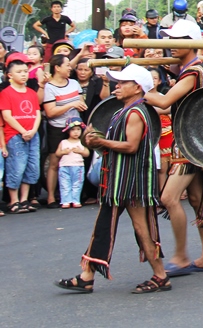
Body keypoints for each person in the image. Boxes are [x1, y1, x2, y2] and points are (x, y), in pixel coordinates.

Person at [55, 64, 167, 294]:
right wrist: (92, 139)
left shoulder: (136, 113)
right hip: (117, 180)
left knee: (142, 227)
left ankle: (161, 275)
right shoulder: (121, 112)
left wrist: (101, 142)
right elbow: (111, 143)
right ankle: (87, 275)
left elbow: (130, 146)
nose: (117, 86)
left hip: (131, 182)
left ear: (137, 88)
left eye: (123, 82)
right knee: (104, 225)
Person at [142, 19, 203, 277]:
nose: (172, 44)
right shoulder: (192, 68)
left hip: (189, 145)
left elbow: (164, 101)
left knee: (168, 198)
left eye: (178, 40)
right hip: (193, 143)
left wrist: (138, 88)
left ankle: (181, 256)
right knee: (197, 200)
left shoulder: (193, 71)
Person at [42, 54, 87, 207]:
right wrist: (71, 105)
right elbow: (50, 112)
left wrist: (79, 104)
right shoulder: (49, 87)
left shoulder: (74, 83)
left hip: (75, 126)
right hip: (57, 127)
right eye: (67, 65)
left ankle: (75, 195)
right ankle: (50, 197)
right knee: (55, 162)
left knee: (78, 159)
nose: (70, 68)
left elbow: (81, 102)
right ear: (57, 67)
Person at [2, 55, 42, 213]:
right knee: (16, 167)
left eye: (25, 71)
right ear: (10, 75)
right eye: (19, 72)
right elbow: (7, 116)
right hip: (15, 135)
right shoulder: (6, 93)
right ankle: (14, 200)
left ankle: (24, 199)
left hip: (32, 134)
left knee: (32, 167)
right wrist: (23, 131)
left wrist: (33, 130)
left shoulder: (31, 92)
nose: (23, 74)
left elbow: (37, 113)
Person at [56, 119, 89, 208]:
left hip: (78, 166)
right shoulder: (64, 142)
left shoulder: (82, 142)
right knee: (64, 184)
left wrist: (80, 151)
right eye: (73, 130)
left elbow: (87, 153)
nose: (76, 132)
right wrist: (63, 152)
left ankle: (76, 200)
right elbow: (57, 153)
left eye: (78, 129)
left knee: (77, 184)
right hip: (64, 166)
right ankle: (66, 201)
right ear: (68, 131)